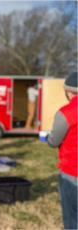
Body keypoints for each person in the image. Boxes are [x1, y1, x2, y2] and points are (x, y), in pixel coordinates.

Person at [46, 72, 77, 230]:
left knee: (72, 216)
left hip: (72, 172)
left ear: (69, 91)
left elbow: (53, 141)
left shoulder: (65, 113)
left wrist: (47, 138)